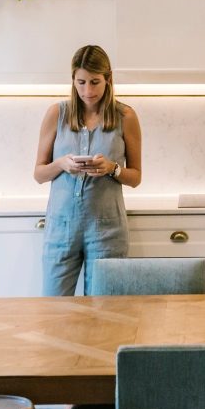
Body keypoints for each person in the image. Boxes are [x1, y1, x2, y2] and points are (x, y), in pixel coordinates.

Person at [34, 44, 142, 296]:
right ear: (72, 80)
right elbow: (39, 173)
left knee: (103, 315)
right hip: (61, 228)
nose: (88, 91)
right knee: (55, 310)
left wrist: (111, 168)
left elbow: (136, 177)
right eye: (81, 82)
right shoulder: (56, 114)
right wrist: (61, 164)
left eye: (95, 82)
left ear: (108, 80)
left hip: (107, 230)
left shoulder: (125, 116)